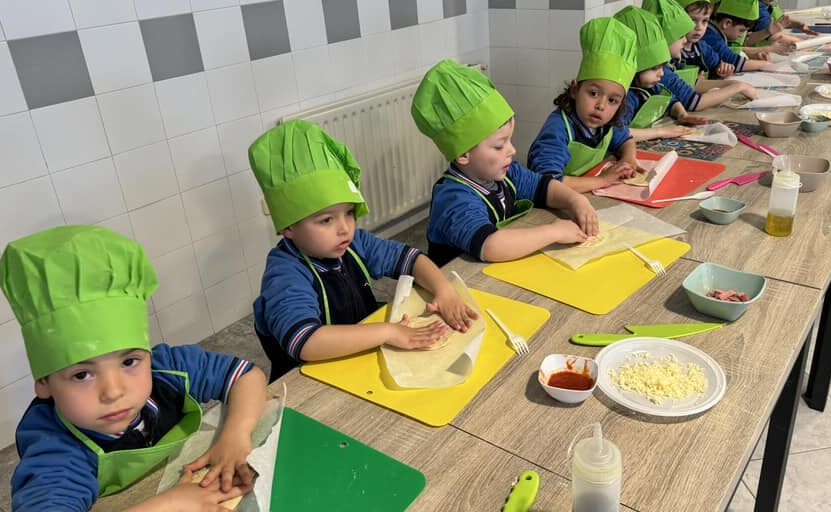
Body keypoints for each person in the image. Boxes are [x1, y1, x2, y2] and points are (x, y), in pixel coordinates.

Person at [3, 225, 268, 511]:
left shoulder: (166, 370)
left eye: (129, 362)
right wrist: (169, 506)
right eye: (82, 374)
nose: (114, 391)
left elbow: (245, 376)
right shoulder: (57, 452)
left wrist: (236, 434)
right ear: (44, 382)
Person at [250, 120, 477, 381]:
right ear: (288, 227)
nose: (345, 228)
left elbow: (411, 259)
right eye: (326, 220)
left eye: (349, 213)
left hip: (361, 360)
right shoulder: (285, 274)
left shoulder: (354, 243)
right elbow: (306, 342)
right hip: (310, 382)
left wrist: (444, 291)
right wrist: (389, 333)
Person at [412, 59, 600, 265]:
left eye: (509, 140)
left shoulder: (506, 174)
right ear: (464, 154)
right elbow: (491, 246)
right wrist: (553, 231)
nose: (512, 150)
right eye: (499, 146)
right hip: (458, 285)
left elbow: (542, 187)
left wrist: (576, 201)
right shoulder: (455, 200)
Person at [527, 17, 642, 192]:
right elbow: (548, 182)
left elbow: (626, 139)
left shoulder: (606, 125)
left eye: (613, 100)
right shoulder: (559, 128)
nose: (601, 106)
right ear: (575, 90)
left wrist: (628, 159)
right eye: (594, 93)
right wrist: (603, 180)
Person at [644, 0, 759, 111]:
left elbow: (694, 85)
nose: (684, 40)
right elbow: (693, 102)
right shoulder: (659, 70)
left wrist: (731, 82)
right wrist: (738, 87)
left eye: (705, 21)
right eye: (680, 35)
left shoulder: (695, 49)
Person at [616, 6, 701, 141]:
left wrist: (682, 115)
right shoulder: (624, 99)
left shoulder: (652, 86)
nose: (661, 73)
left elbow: (671, 100)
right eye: (654, 68)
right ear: (634, 69)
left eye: (663, 66)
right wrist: (660, 132)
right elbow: (619, 133)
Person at [679, 0, 770, 78]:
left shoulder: (702, 47)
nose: (699, 27)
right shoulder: (710, 37)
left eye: (704, 21)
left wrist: (722, 70)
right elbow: (731, 60)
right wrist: (766, 64)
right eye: (692, 20)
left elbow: (719, 65)